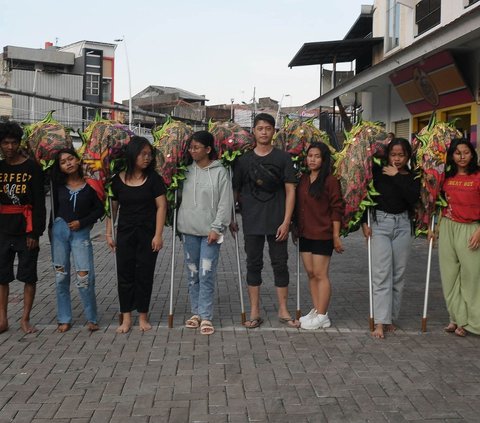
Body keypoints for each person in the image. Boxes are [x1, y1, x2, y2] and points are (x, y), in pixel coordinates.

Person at [232, 113, 299, 328]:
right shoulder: (243, 161)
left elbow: (291, 191)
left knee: (280, 264)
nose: (263, 132)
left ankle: (283, 310)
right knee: (253, 264)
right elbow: (235, 191)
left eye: (268, 128)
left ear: (273, 131)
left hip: (277, 221)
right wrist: (231, 217)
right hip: (251, 221)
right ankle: (254, 311)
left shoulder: (283, 158)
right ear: (254, 131)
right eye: (260, 128)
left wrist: (287, 221)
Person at [106, 136, 167, 333]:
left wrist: (158, 235)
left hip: (147, 235)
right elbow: (112, 209)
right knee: (124, 275)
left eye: (150, 154)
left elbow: (161, 207)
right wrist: (109, 232)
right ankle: (126, 318)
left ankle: (143, 316)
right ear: (133, 155)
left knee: (144, 275)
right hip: (125, 234)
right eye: (143, 154)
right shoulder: (117, 181)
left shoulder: (154, 180)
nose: (147, 158)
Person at [361, 138, 420, 339]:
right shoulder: (378, 172)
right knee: (381, 273)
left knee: (398, 275)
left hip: (403, 225)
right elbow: (366, 194)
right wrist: (364, 223)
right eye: (393, 154)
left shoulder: (412, 176)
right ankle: (379, 321)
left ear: (407, 156)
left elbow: (412, 197)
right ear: (387, 155)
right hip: (381, 224)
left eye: (401, 155)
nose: (397, 159)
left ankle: (390, 319)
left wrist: (398, 176)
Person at [177, 131, 232, 335]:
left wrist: (217, 227)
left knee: (206, 273)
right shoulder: (184, 171)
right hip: (188, 230)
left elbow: (224, 203)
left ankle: (206, 315)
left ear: (208, 149)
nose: (192, 151)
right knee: (193, 274)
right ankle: (196, 312)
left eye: (197, 147)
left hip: (210, 231)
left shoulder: (220, 172)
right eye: (191, 147)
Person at [50, 148, 104, 332]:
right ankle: (64, 318)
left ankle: (92, 318)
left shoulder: (90, 185)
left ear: (78, 160)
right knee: (60, 277)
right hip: (59, 234)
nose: (68, 163)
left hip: (81, 235)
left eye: (71, 159)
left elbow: (99, 210)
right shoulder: (56, 186)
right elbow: (54, 211)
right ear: (60, 167)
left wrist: (83, 222)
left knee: (85, 277)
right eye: (63, 162)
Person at [0, 121, 46, 334]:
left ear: (19, 143)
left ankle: (25, 319)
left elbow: (39, 202)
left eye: (13, 143)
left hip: (26, 229)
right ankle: (2, 319)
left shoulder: (32, 167)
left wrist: (35, 232)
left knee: (28, 276)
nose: (10, 147)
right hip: (2, 230)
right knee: (2, 277)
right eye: (5, 143)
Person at [293, 142, 344, 330]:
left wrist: (336, 235)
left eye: (316, 156)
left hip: (323, 233)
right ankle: (317, 310)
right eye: (310, 156)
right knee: (311, 273)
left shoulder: (330, 180)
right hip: (305, 232)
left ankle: (322, 315)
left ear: (324, 159)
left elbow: (337, 208)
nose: (312, 159)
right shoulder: (304, 179)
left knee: (321, 274)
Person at [435, 139, 480, 337]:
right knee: (450, 275)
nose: (462, 156)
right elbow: (438, 203)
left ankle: (472, 322)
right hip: (447, 226)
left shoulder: (478, 176)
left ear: (472, 154)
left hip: (470, 228)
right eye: (457, 153)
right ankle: (456, 318)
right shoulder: (445, 177)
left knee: (471, 277)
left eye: (466, 152)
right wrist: (434, 228)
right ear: (451, 155)